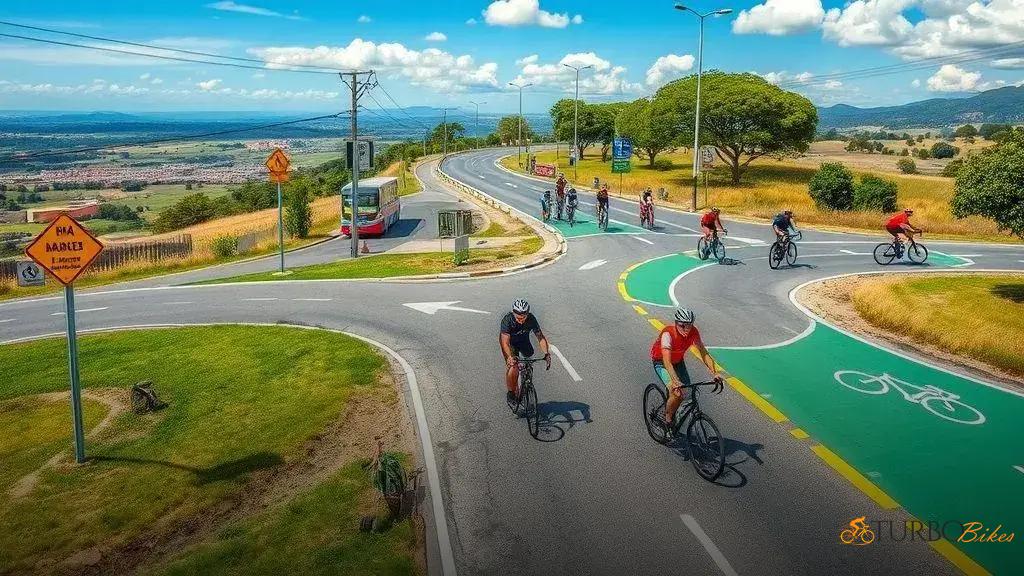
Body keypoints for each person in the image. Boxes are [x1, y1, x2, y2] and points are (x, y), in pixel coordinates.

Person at [650, 308, 723, 432]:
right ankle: (667, 419)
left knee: (687, 391)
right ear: (676, 323)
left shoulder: (694, 332)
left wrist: (714, 372)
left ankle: (673, 408)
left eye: (689, 325)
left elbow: (703, 352)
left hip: (678, 361)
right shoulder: (668, 334)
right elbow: (667, 361)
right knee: (677, 392)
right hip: (661, 362)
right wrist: (675, 380)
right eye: (683, 325)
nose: (686, 329)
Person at [499, 299, 551, 404]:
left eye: (524, 317)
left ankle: (526, 380)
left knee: (529, 358)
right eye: (518, 318)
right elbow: (505, 343)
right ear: (514, 313)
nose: (521, 320)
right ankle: (511, 393)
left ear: (527, 314)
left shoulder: (531, 319)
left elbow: (540, 337)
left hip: (523, 340)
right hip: (510, 344)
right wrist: (509, 357)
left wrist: (546, 354)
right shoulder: (507, 320)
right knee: (513, 367)